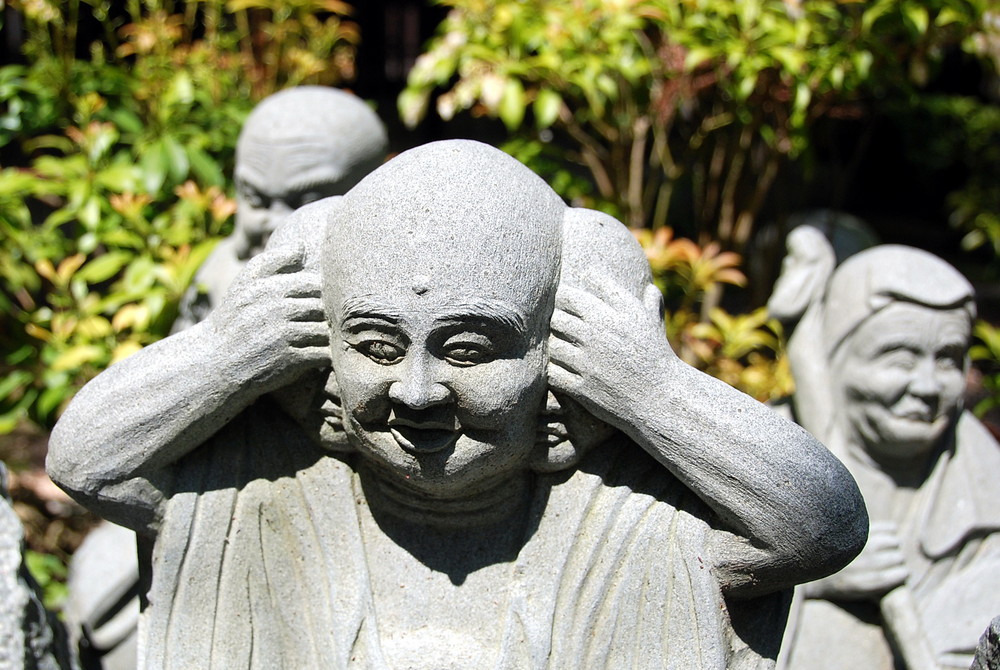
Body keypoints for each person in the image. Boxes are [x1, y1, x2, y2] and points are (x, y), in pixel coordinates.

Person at [48, 140, 865, 669]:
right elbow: (87, 462)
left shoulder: (641, 519)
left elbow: (822, 525)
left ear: (566, 352)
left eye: (470, 350)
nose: (416, 391)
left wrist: (654, 391)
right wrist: (226, 354)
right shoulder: (259, 487)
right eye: (373, 344)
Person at [773, 244, 1000, 670]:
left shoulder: (987, 480)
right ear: (838, 357)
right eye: (900, 358)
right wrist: (809, 578)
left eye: (948, 360)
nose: (928, 387)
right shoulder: (767, 448)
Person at [172, 85, 388, 330]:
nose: (276, 224)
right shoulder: (216, 273)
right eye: (256, 199)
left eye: (305, 203)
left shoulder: (386, 297)